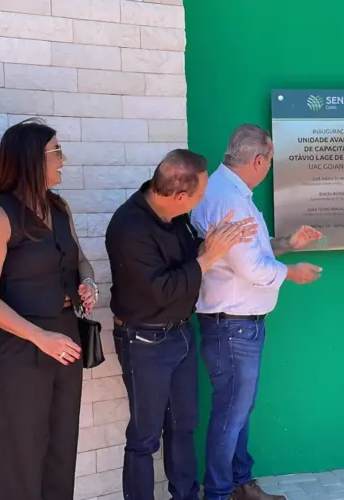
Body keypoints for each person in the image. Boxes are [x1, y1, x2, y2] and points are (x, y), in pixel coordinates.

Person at [105, 149, 257, 500]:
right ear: (179, 197)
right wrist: (209, 256)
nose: (203, 201)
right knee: (144, 438)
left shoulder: (176, 219)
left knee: (183, 426)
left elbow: (188, 261)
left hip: (180, 335)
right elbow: (162, 289)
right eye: (200, 195)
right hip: (144, 341)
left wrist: (213, 241)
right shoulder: (129, 227)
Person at [190, 124, 324, 500]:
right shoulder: (229, 200)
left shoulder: (226, 191)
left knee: (239, 411)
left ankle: (238, 484)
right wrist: (291, 273)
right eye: (270, 161)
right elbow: (252, 269)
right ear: (258, 160)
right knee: (231, 415)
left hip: (236, 326)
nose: (269, 168)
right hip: (233, 326)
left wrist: (287, 244)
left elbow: (250, 254)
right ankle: (220, 492)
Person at [0, 119, 96, 499]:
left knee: (60, 450)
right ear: (30, 160)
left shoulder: (59, 207)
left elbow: (81, 261)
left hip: (64, 339)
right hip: (19, 345)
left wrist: (88, 284)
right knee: (19, 456)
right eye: (56, 152)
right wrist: (40, 337)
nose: (64, 160)